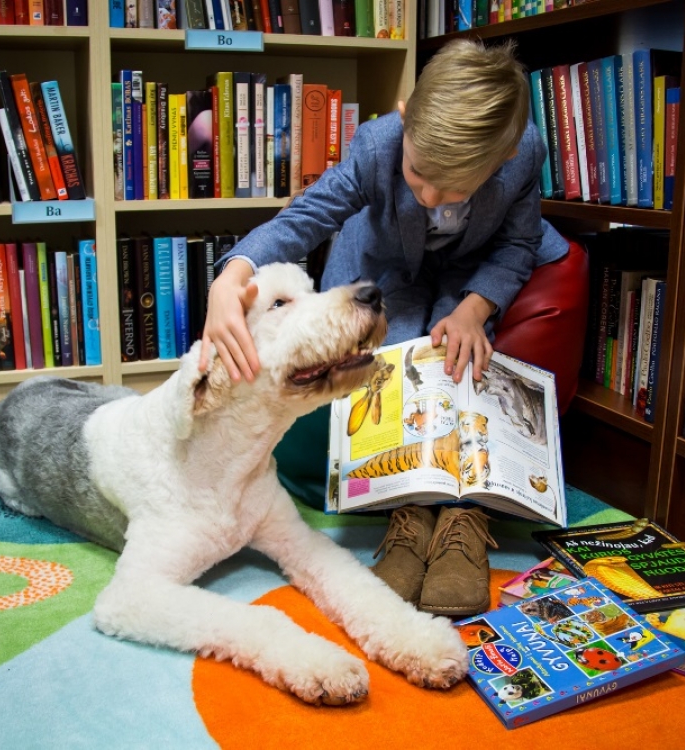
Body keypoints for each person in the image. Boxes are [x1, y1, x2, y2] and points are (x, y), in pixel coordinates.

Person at [201, 39, 571, 617]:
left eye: (452, 189)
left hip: (472, 268)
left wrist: (475, 308)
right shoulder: (378, 143)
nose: (428, 196)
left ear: (499, 164)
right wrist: (232, 276)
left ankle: (461, 513)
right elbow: (308, 215)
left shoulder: (523, 155)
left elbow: (519, 243)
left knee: (464, 357)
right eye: (418, 174)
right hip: (385, 262)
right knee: (392, 357)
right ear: (405, 117)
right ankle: (407, 510)